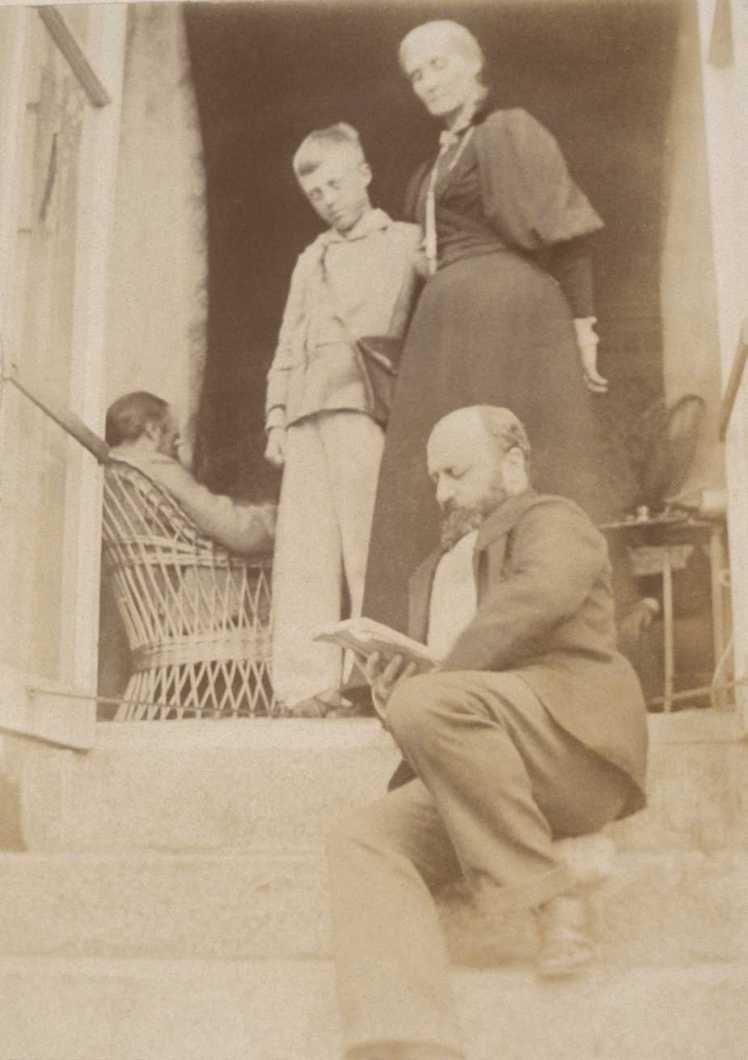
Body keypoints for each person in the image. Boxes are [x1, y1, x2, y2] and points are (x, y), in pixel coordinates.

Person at [328, 406, 648, 1060]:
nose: (443, 493)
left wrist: (435, 682)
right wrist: (395, 698)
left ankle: (548, 899)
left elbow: (539, 597)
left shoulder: (554, 521)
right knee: (361, 839)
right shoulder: (434, 571)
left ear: (512, 464)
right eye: (435, 479)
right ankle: (407, 1037)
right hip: (485, 772)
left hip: (568, 746)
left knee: (427, 702)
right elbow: (445, 711)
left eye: (456, 472)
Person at [363, 19, 638, 634]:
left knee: (524, 469)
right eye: (416, 74)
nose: (427, 81)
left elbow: (565, 236)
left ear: (473, 65)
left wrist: (584, 330)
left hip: (513, 319)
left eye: (438, 65)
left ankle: (553, 637)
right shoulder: (435, 163)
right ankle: (432, 641)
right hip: (444, 326)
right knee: (435, 475)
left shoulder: (509, 133)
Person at [264, 123, 420, 713]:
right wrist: (276, 416)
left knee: (368, 548)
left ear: (364, 173)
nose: (327, 198)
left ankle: (388, 684)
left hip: (364, 409)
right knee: (304, 553)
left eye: (335, 183)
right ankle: (304, 687)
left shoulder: (407, 243)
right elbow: (288, 340)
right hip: (306, 414)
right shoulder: (312, 259)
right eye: (314, 194)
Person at [105, 390, 275, 554]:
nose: (178, 445)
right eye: (174, 436)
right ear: (152, 430)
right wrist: (279, 520)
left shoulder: (113, 468)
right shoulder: (156, 466)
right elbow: (236, 530)